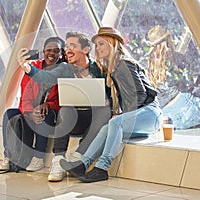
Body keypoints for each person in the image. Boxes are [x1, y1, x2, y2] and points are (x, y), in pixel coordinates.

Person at [59, 27, 163, 183]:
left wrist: (122, 115)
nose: (98, 48)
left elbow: (140, 96)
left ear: (112, 44)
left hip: (149, 113)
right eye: (97, 45)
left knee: (115, 122)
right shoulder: (112, 69)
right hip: (139, 117)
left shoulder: (124, 64)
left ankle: (101, 168)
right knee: (107, 127)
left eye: (101, 43)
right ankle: (82, 164)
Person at [18, 31, 112, 181]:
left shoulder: (99, 69)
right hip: (72, 120)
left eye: (72, 46)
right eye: (67, 46)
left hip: (94, 121)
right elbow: (46, 76)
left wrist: (108, 101)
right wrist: (28, 68)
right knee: (66, 109)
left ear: (86, 49)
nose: (67, 50)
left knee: (105, 111)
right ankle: (58, 160)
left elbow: (112, 93)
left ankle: (77, 156)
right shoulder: (65, 68)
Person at [0, 36, 65, 173]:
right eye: (48, 50)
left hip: (50, 113)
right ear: (43, 51)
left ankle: (38, 157)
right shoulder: (32, 67)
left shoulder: (63, 70)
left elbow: (62, 99)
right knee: (9, 113)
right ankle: (8, 157)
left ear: (61, 53)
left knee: (43, 114)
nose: (51, 53)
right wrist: (29, 112)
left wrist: (48, 105)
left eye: (56, 51)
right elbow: (25, 95)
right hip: (29, 111)